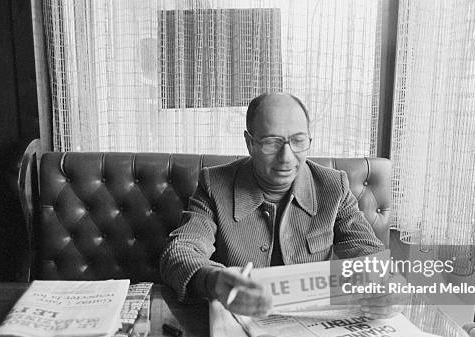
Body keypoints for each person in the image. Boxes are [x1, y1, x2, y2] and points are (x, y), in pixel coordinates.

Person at [161, 92, 401, 317]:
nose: (286, 157)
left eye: (298, 141)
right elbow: (180, 251)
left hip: (310, 326)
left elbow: (368, 252)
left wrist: (391, 285)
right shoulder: (214, 184)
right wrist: (214, 281)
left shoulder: (333, 186)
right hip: (237, 322)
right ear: (250, 143)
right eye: (271, 142)